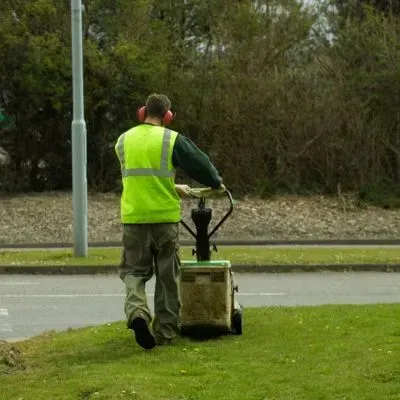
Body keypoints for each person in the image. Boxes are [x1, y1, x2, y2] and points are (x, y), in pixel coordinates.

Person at [114, 93, 224, 350]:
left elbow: (140, 178)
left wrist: (174, 186)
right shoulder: (170, 139)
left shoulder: (123, 141)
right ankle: (165, 332)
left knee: (133, 272)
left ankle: (138, 313)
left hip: (134, 219)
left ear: (142, 113)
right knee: (167, 277)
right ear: (167, 116)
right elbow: (200, 163)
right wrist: (216, 182)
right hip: (164, 219)